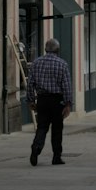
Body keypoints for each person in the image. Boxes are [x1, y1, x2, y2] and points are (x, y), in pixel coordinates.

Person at [27, 37, 72, 166]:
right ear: (58, 50)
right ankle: (56, 156)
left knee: (42, 126)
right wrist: (68, 104)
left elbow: (30, 84)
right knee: (57, 129)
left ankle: (36, 148)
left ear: (45, 49)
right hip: (57, 100)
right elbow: (66, 86)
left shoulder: (36, 63)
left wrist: (31, 100)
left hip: (42, 99)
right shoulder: (62, 64)